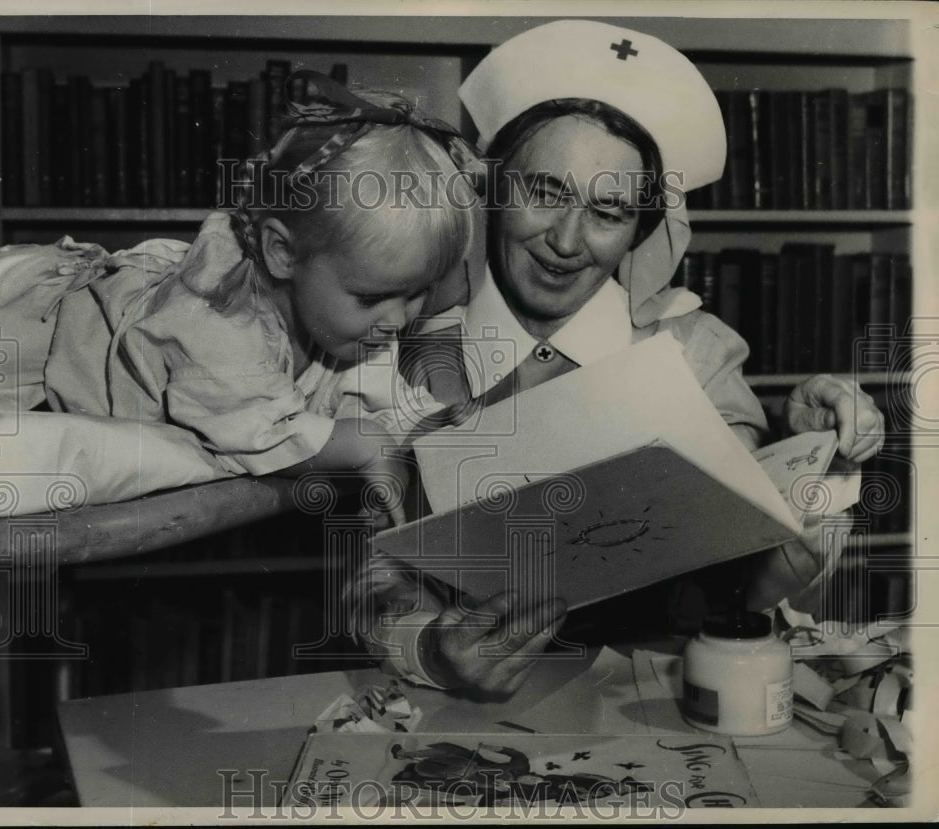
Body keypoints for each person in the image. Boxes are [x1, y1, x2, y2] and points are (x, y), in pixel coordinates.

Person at [348, 20, 886, 694]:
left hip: (659, 711)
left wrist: (806, 453)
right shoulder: (403, 349)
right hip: (462, 713)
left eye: (608, 210)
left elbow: (759, 573)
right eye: (545, 192)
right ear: (493, 189)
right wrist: (429, 649)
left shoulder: (696, 352)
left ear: (642, 227)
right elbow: (369, 577)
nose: (567, 241)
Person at [0, 73, 479, 516]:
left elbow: (385, 369)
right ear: (280, 252)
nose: (398, 319)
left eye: (416, 296)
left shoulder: (338, 305)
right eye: (374, 299)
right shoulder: (216, 326)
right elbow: (260, 435)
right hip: (47, 341)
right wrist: (365, 443)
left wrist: (421, 418)